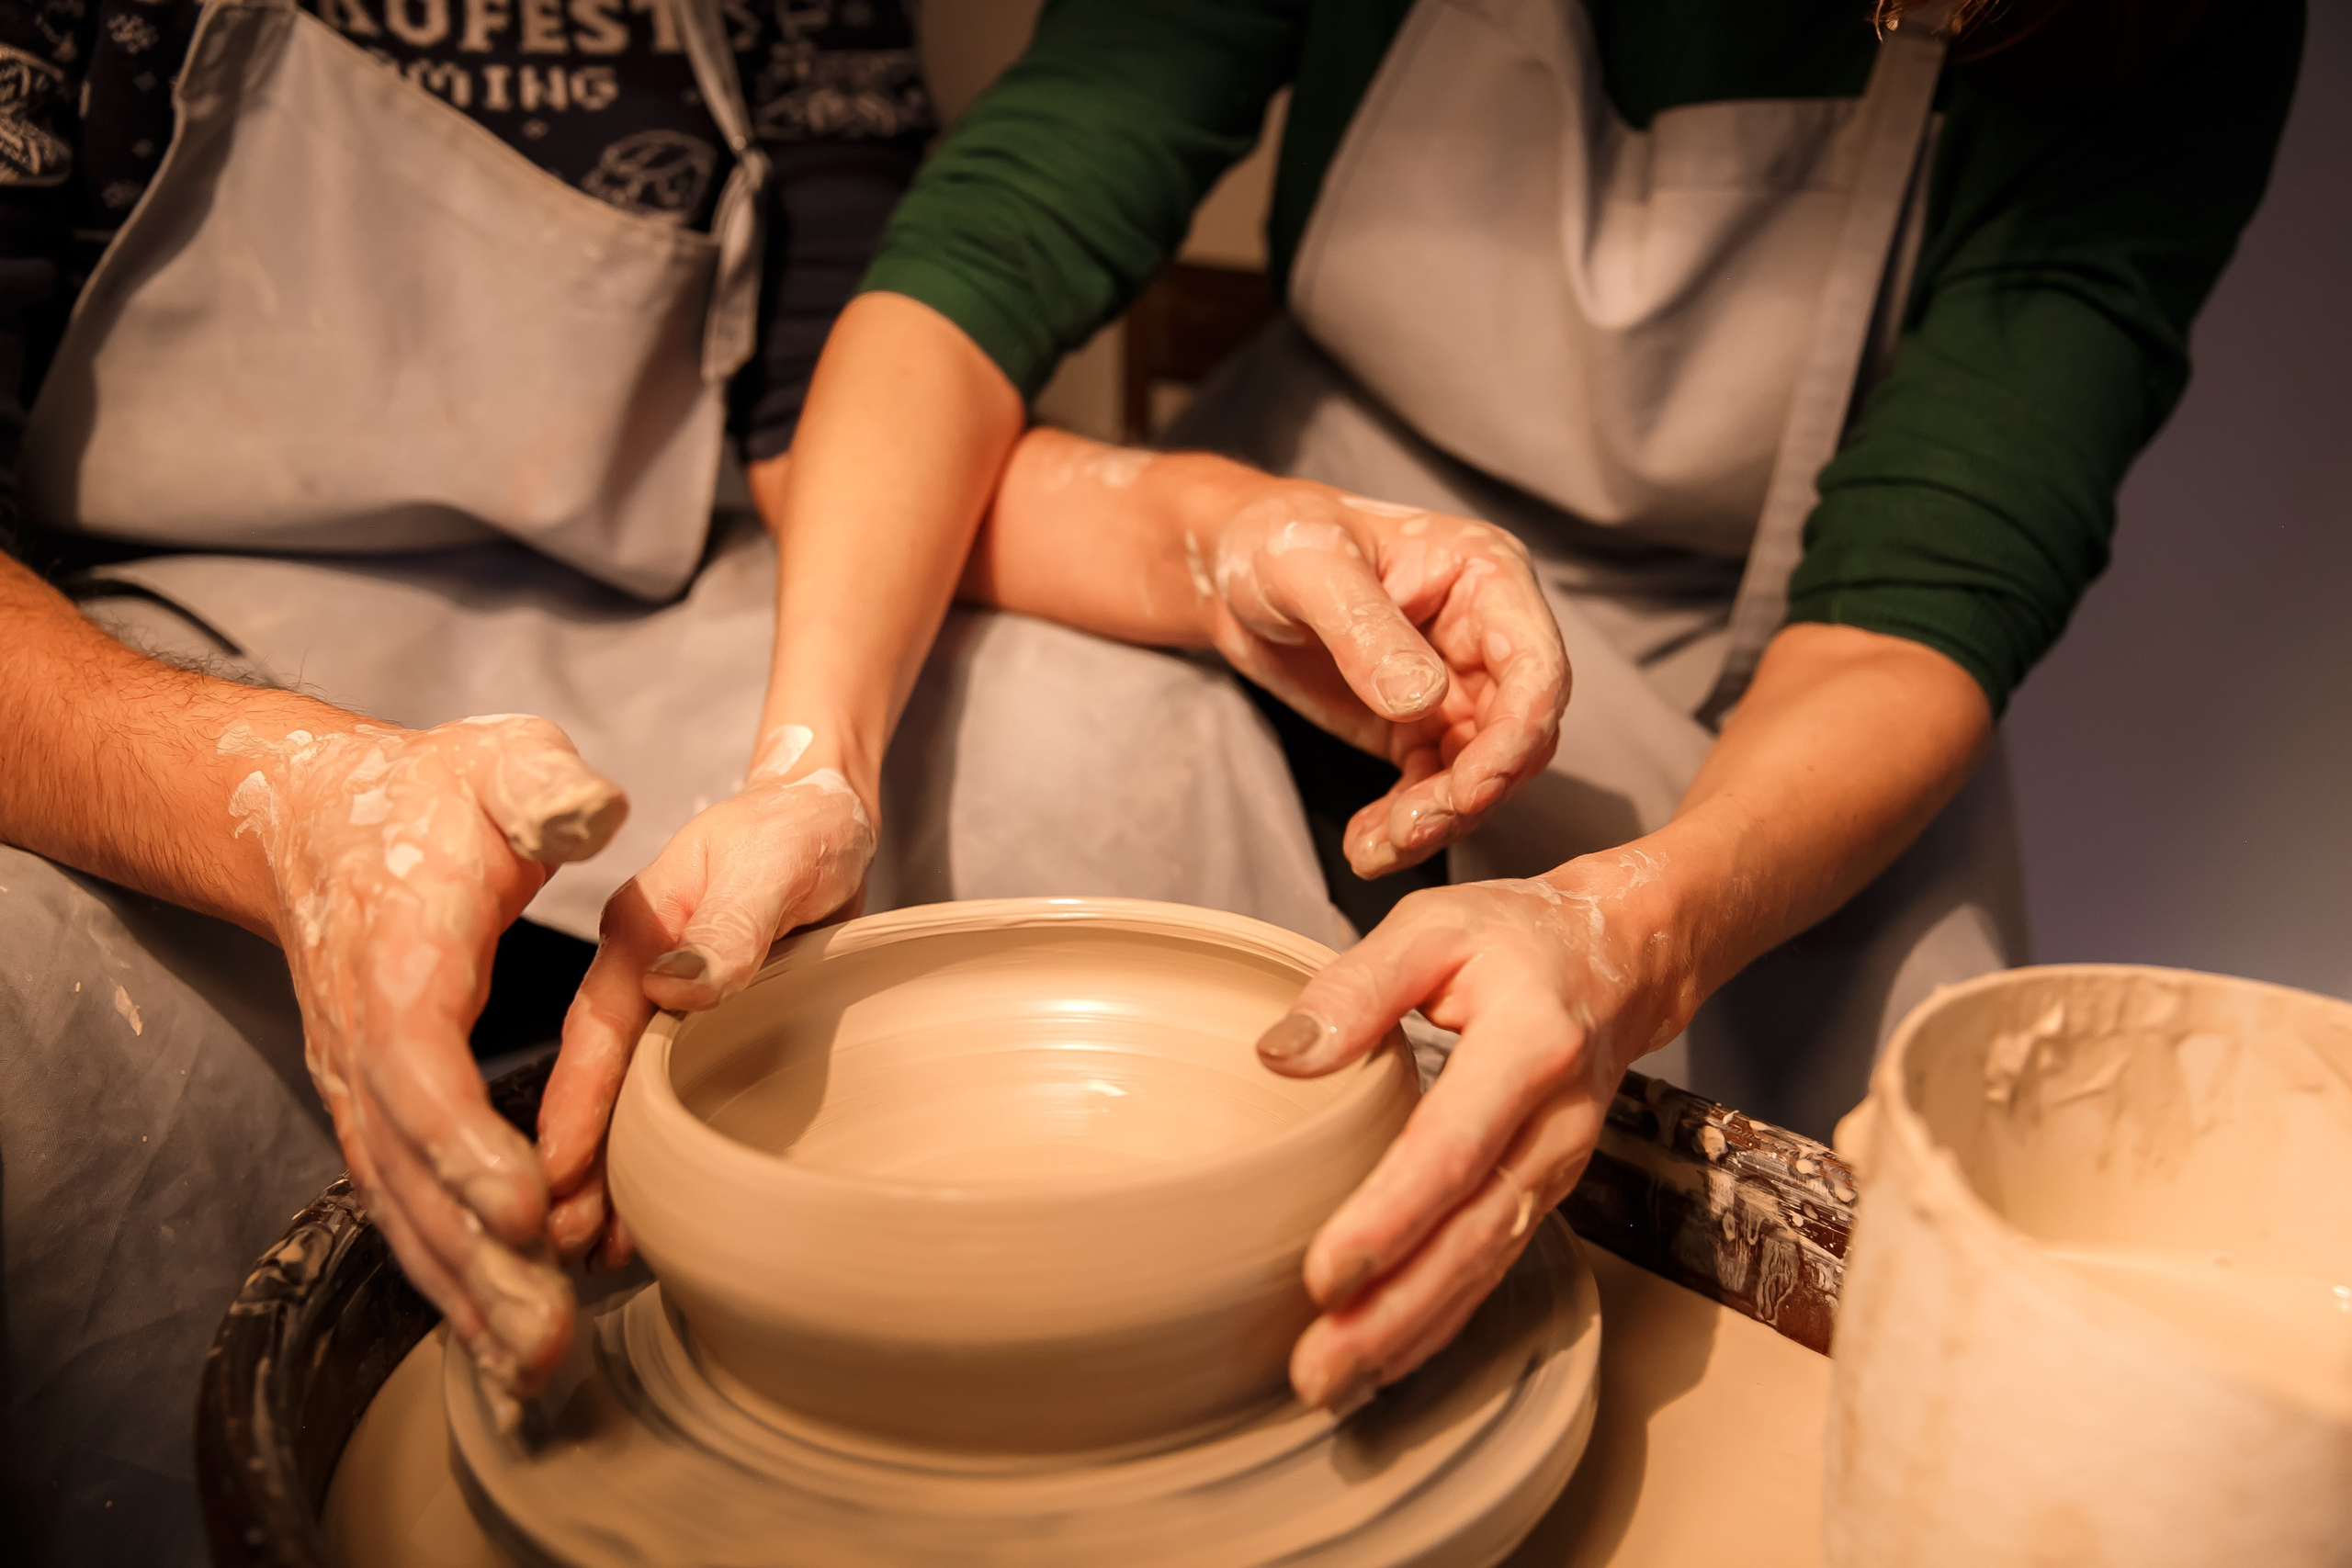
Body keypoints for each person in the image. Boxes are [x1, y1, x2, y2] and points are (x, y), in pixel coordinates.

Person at [0, 0, 1572, 1557]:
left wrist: (1208, 540)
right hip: (147, 646)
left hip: (675, 591)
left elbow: (846, 412)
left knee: (1136, 740)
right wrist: (280, 802)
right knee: (40, 1013)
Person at [664, 0, 2300, 1421]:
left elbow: (1922, 595)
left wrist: (1633, 926)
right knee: (1044, 773)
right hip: (1326, 533)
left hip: (1799, 664)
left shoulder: (2157, 28)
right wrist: (816, 771)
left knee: (1870, 1262)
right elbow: (977, 263)